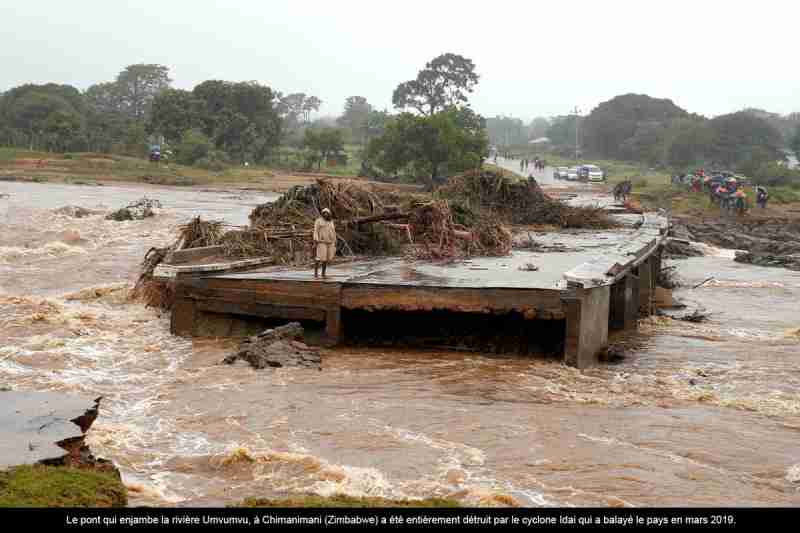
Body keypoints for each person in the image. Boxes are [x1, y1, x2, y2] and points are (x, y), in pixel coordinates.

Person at [313, 208, 336, 278]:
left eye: (327, 213)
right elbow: (315, 230)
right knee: (319, 257)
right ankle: (316, 273)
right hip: (321, 242)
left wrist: (334, 240)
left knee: (326, 258)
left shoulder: (331, 222)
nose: (325, 214)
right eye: (324, 213)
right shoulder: (318, 221)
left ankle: (323, 273)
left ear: (329, 214)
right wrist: (316, 239)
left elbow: (333, 231)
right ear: (322, 214)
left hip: (329, 242)